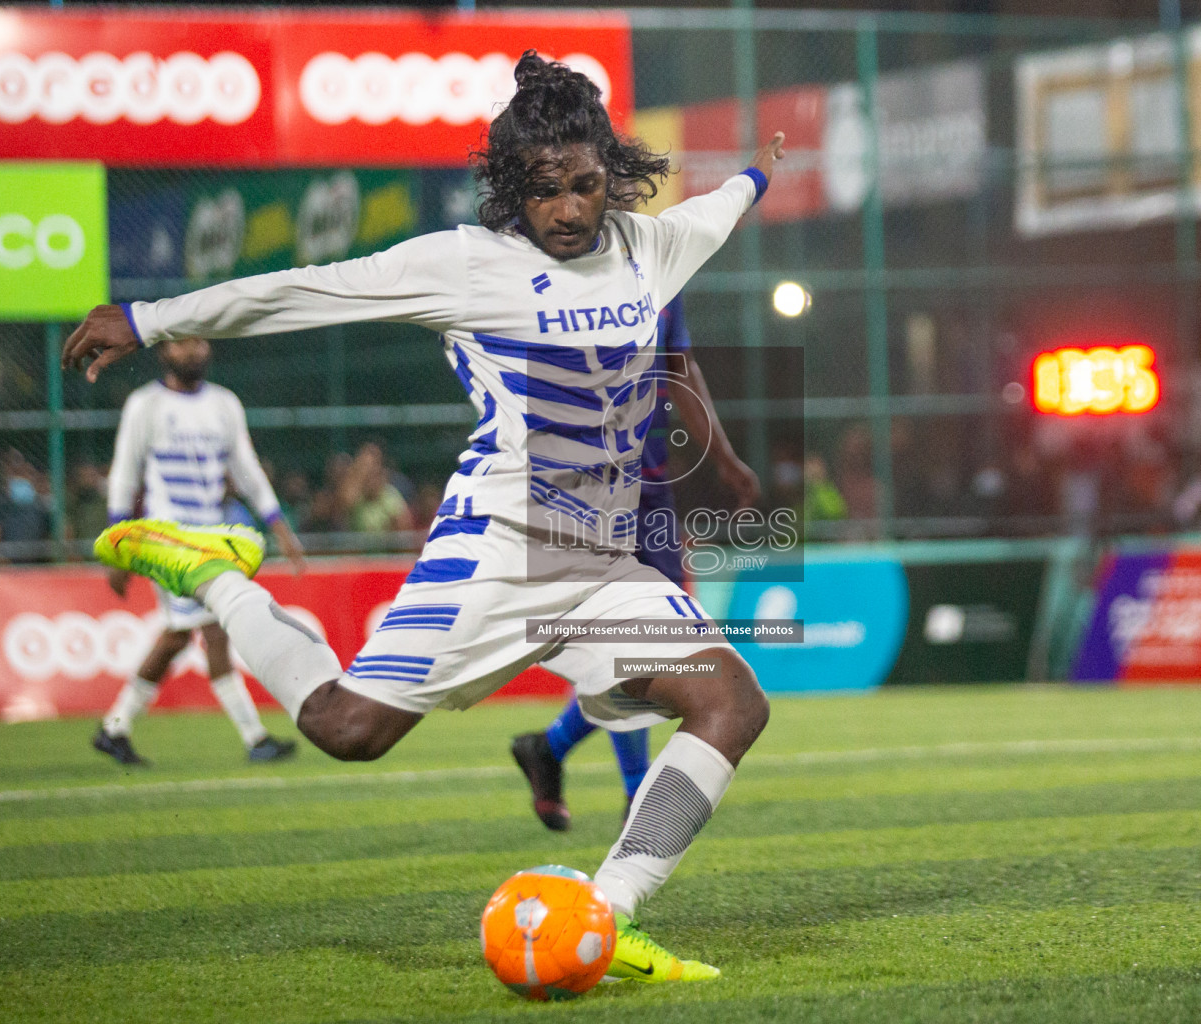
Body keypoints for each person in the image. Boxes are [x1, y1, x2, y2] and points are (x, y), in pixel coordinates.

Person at [65, 52, 783, 982]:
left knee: (732, 702)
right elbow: (305, 290)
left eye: (584, 185)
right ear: (509, 187)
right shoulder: (465, 266)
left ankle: (604, 917)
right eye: (542, 189)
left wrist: (759, 172)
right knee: (343, 730)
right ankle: (215, 574)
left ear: (613, 173)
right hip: (502, 549)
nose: (566, 209)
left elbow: (723, 203)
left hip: (603, 566)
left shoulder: (654, 248)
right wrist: (150, 316)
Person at [510, 293, 760, 830]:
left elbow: (681, 372)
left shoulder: (662, 278)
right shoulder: (560, 270)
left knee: (666, 645)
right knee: (631, 641)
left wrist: (724, 458)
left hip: (651, 492)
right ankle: (634, 794)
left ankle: (550, 748)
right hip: (585, 492)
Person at [93, 336, 306, 766]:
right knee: (212, 630)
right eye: (181, 344)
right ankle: (255, 738)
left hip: (211, 537)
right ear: (163, 352)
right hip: (168, 538)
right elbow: (125, 472)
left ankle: (114, 728)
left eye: (198, 343)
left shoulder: (224, 404)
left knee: (177, 636)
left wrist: (278, 524)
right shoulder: (146, 405)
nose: (192, 351)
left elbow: (245, 468)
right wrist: (118, 545)